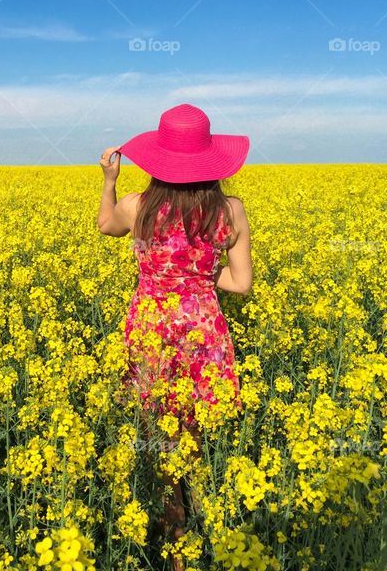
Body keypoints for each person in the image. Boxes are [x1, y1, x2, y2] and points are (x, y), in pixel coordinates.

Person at [97, 103, 253, 569]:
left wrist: (108, 181)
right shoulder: (230, 210)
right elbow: (240, 282)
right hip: (203, 329)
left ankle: (175, 532)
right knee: (198, 434)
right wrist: (200, 281)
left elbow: (106, 226)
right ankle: (208, 529)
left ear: (160, 158)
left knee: (160, 437)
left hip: (151, 328)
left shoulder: (138, 206)